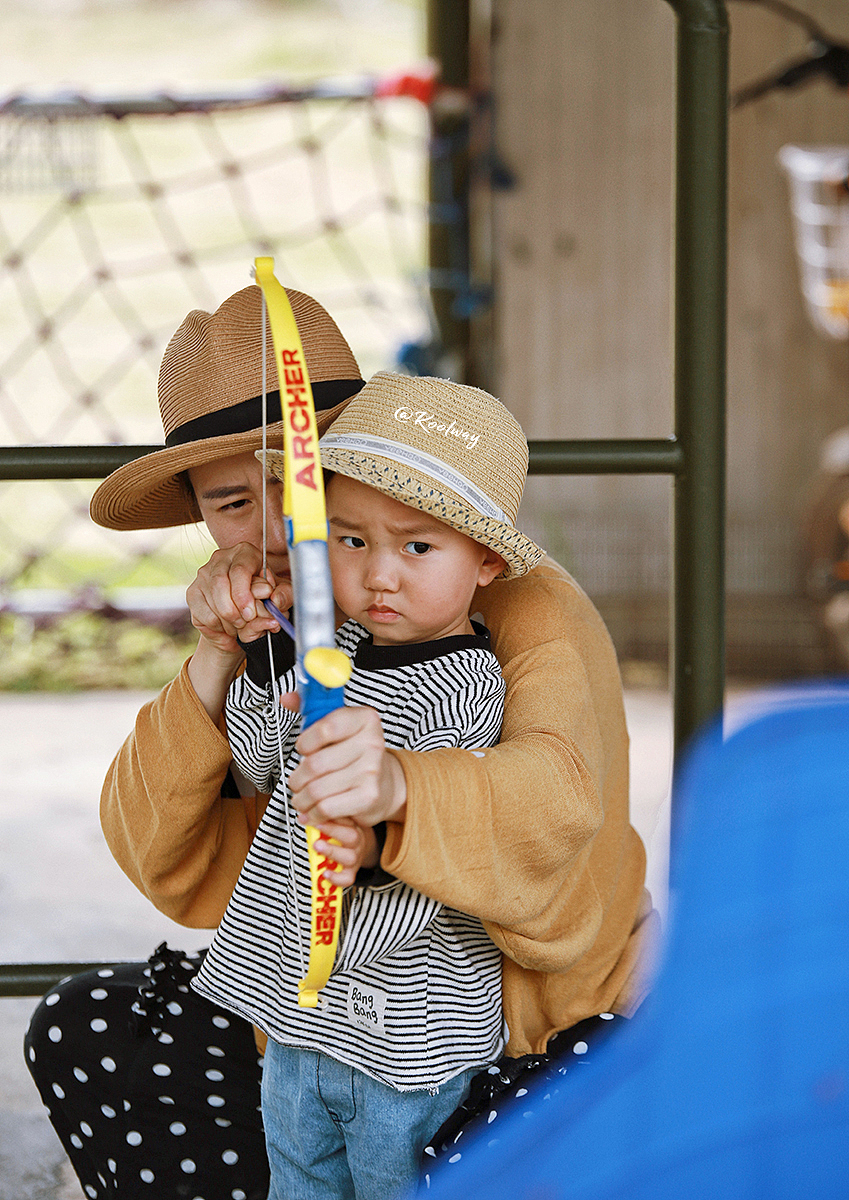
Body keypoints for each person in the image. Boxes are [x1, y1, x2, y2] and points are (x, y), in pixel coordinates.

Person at [24, 282, 659, 1200]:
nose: (278, 526)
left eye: (301, 483)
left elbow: (553, 817)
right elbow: (166, 860)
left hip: (506, 1036)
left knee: (500, 1143)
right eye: (232, 501)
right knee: (86, 1027)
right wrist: (217, 657)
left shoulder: (514, 604)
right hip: (319, 1025)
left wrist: (399, 793)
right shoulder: (288, 617)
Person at [192, 371, 543, 1199]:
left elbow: (441, 822)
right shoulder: (334, 651)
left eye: (417, 547)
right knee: (298, 1183)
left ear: (485, 559)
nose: (380, 575)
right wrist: (265, 653)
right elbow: (256, 760)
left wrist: (374, 837)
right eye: (350, 541)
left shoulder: (467, 686)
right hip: (299, 1018)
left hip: (407, 1041)